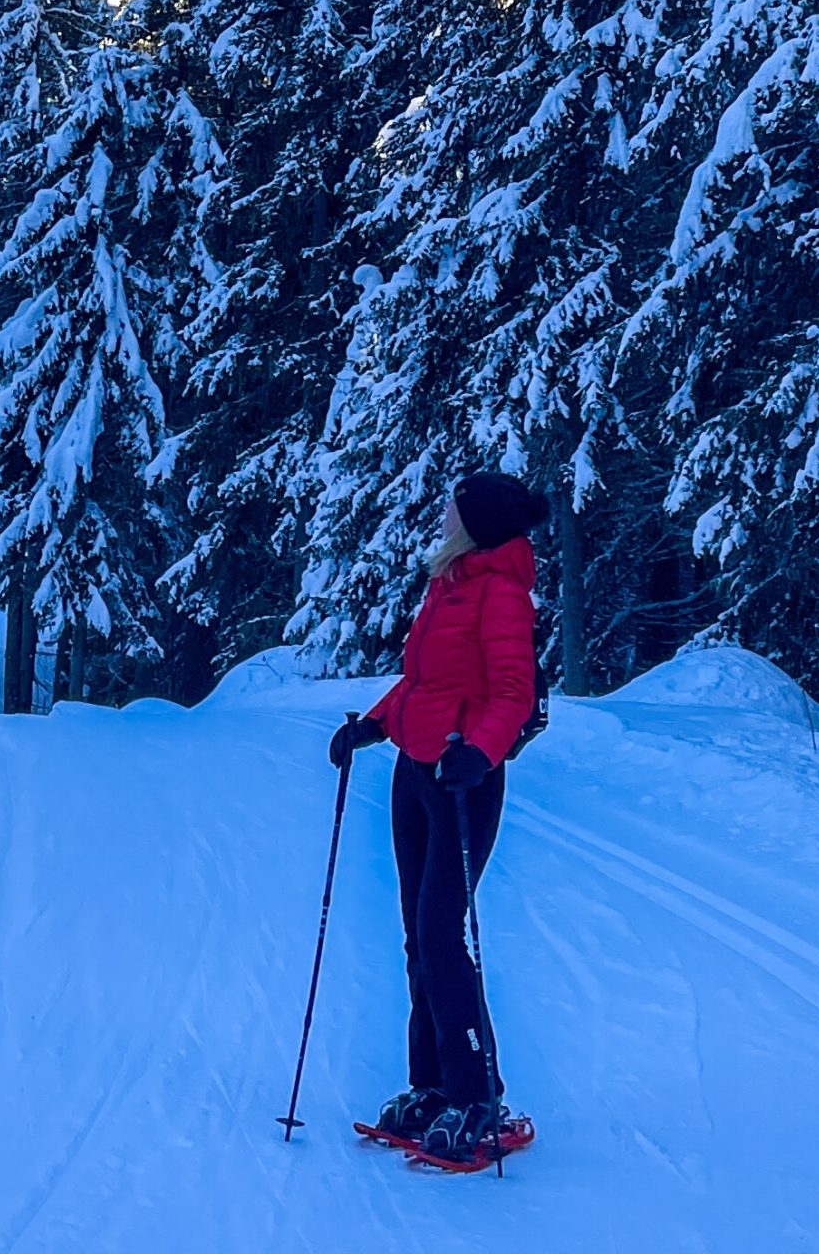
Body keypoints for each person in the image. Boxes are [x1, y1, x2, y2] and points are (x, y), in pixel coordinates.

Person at [329, 470, 548, 1170]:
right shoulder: (448, 584)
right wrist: (372, 725)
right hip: (415, 772)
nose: (444, 513)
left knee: (439, 930)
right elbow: (427, 685)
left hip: (462, 783)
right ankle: (431, 1087)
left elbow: (513, 692)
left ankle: (477, 1093)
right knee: (415, 935)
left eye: (453, 507)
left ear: (475, 521)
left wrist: (479, 753)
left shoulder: (503, 595)